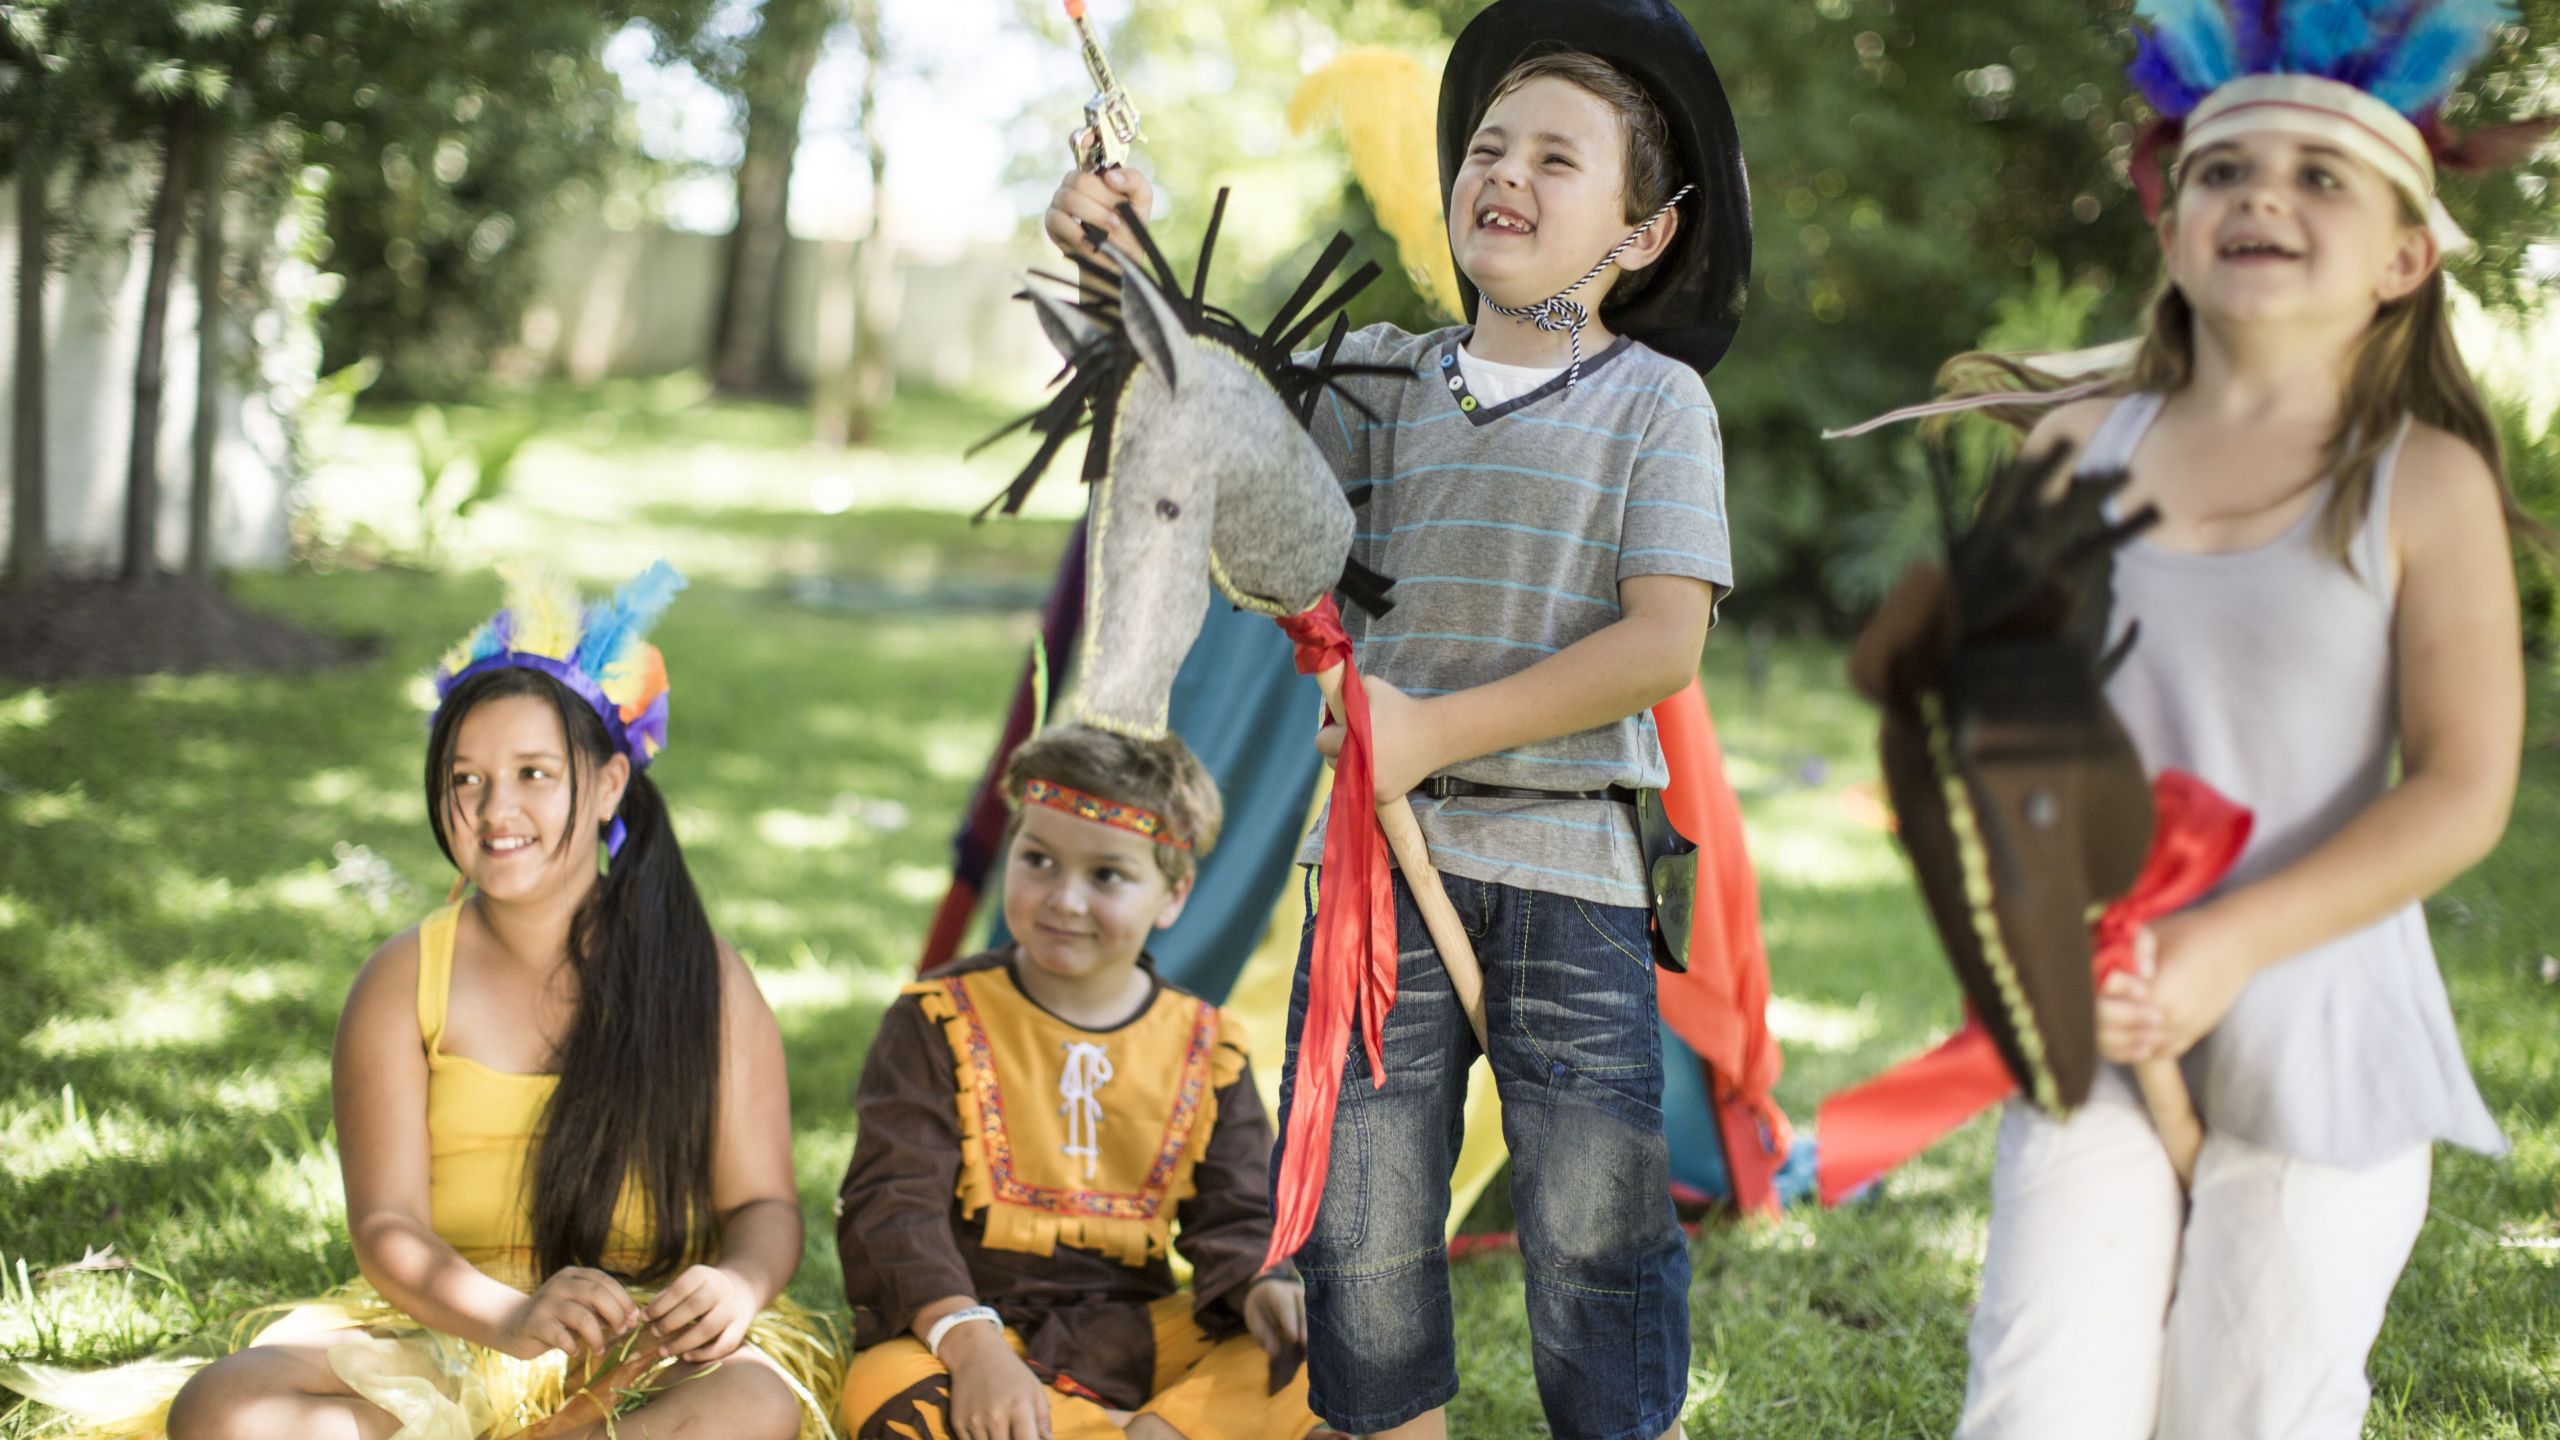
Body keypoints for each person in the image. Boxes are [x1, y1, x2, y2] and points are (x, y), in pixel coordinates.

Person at [1045, 1, 1750, 1434]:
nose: (1507, 169)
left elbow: (1664, 642)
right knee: (1362, 1234)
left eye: (1561, 158)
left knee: (1593, 1229)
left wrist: (1434, 729)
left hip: (1572, 877)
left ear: (1644, 232)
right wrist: (1126, 276)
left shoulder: (1653, 404)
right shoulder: (1380, 375)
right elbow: (1263, 522)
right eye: (1490, 143)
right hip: (1374, 874)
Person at [1933, 5, 2550, 1435]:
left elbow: (2463, 788)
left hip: (2322, 1019)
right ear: (2172, 223)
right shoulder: (2085, 445)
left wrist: (2223, 942)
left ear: (2408, 257)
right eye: (2223, 170)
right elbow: (2007, 713)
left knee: (2253, 1406)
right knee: (2042, 1396)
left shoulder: (2426, 479)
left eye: (2319, 175)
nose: (2262, 194)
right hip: (2104, 996)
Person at [21, 563, 839, 1439]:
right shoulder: (401, 982)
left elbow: (764, 1206)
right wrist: (510, 1319)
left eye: (534, 773)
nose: (496, 808)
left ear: (606, 786)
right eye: (466, 778)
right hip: (457, 1326)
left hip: (647, 1345)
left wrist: (737, 1284)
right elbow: (388, 1225)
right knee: (224, 1408)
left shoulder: (703, 976)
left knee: (750, 1405)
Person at [834, 723, 1326, 1440]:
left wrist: (1265, 1286)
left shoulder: (1206, 1047)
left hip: (1143, 1338)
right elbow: (892, 1207)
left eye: (1106, 875)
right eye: (1037, 860)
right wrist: (972, 1349)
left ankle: (1141, 1426)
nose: (1064, 900)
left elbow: (1240, 1214)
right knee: (885, 1387)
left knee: (1323, 1361)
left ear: (1173, 893)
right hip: (977, 1332)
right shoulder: (936, 1018)